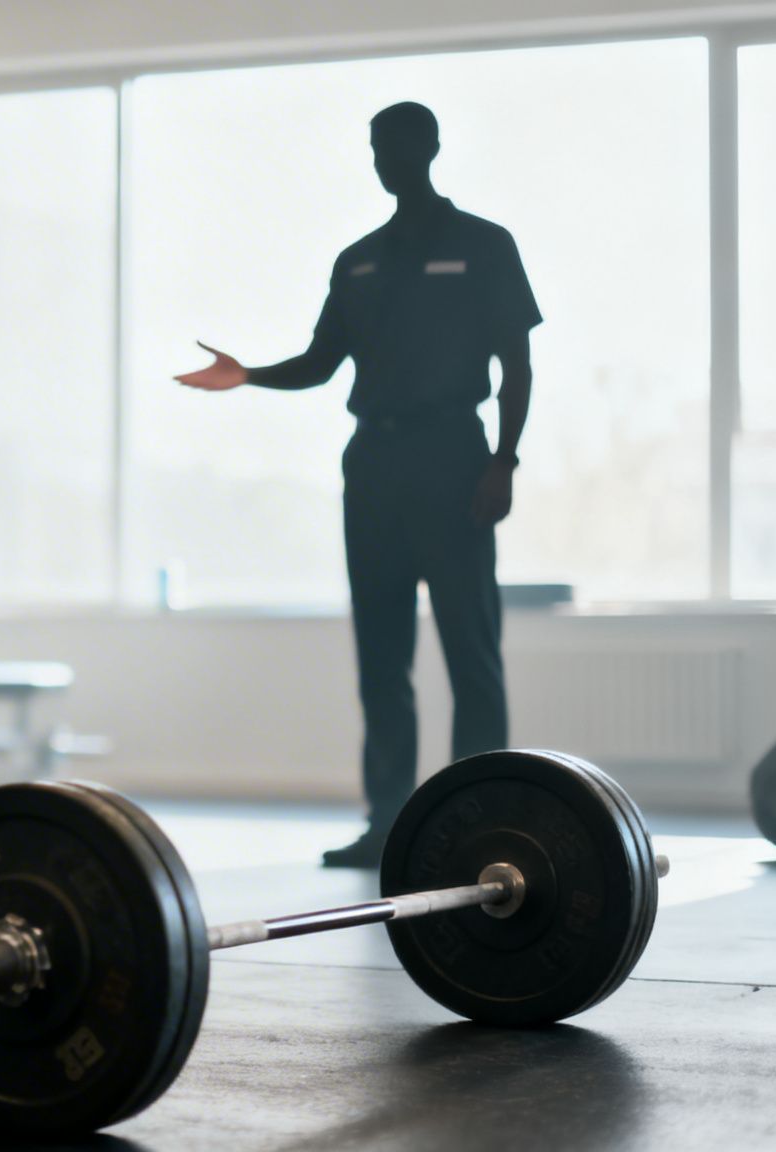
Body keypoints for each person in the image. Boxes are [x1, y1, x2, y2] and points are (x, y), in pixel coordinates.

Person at [174, 101, 540, 869]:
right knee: (381, 655)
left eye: (397, 146)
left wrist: (503, 461)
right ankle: (388, 824)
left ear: (430, 148)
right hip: (374, 465)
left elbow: (517, 363)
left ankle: (482, 820)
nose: (385, 161)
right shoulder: (359, 260)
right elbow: (320, 362)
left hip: (454, 457)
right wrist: (248, 375)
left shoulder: (483, 244)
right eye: (376, 149)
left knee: (471, 649)